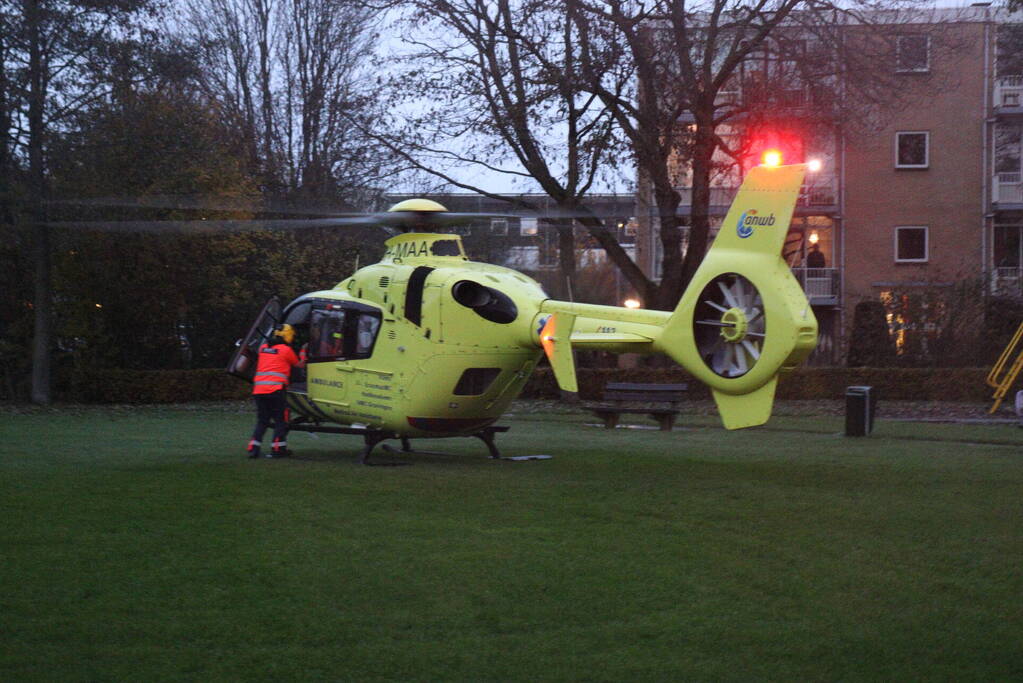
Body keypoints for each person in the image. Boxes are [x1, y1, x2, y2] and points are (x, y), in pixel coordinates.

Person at [247, 324, 304, 459]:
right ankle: (278, 448)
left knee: (262, 420)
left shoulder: (263, 348)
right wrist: (303, 351)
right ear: (287, 335)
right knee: (280, 420)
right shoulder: (286, 350)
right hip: (276, 390)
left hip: (259, 390)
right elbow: (299, 364)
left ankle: (253, 448)